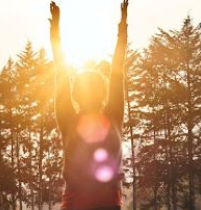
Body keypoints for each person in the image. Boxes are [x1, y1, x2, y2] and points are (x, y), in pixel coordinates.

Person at [49, 1, 128, 210]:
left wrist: (55, 32)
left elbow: (61, 73)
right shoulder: (112, 115)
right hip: (97, 200)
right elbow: (117, 71)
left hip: (89, 201)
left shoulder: (70, 119)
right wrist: (122, 28)